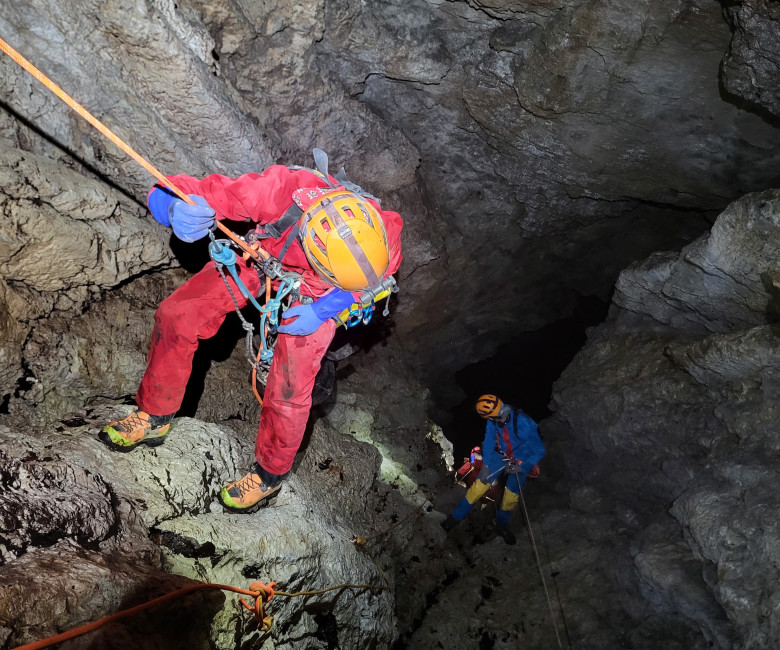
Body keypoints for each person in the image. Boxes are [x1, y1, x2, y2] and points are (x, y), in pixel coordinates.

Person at [99, 150, 403, 512]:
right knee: (178, 315)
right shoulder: (279, 192)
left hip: (321, 295)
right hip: (267, 257)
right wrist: (171, 207)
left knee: (289, 386)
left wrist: (322, 309)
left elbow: (374, 284)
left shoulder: (386, 231)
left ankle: (269, 475)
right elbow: (191, 190)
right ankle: (154, 413)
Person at [441, 394, 545, 544]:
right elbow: (490, 440)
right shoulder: (493, 419)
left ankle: (502, 525)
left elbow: (539, 450)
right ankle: (454, 519)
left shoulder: (523, 423)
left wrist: (522, 466)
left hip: (522, 460)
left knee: (511, 497)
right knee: (477, 488)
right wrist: (487, 465)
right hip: (500, 456)